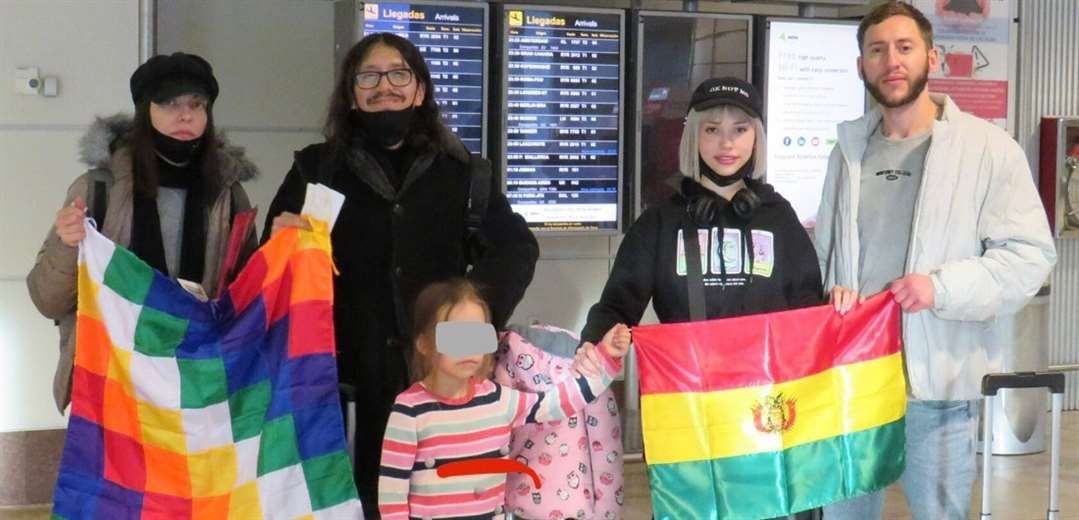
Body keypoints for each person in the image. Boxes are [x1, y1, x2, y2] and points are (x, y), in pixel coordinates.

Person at [263, 33, 539, 515]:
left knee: (442, 503)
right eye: (368, 76)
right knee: (355, 503)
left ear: (420, 90)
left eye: (398, 74)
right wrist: (276, 242)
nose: (384, 86)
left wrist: (469, 330)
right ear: (352, 94)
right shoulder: (315, 170)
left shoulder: (463, 173)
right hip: (344, 385)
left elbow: (517, 248)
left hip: (441, 386)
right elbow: (268, 270)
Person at [815, 3, 1056, 518]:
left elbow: (1031, 257)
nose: (891, 61)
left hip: (940, 390)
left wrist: (940, 288)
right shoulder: (848, 152)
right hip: (854, 383)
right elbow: (827, 253)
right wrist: (831, 289)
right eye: (877, 50)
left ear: (932, 56)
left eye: (904, 47)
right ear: (861, 65)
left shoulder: (988, 150)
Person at [27, 52, 259, 414]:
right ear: (144, 110)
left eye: (197, 104)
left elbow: (248, 298)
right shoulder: (99, 189)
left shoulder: (227, 195)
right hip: (114, 380)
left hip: (198, 384)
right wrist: (67, 244)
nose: (185, 115)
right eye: (169, 103)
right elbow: (48, 301)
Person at [580, 76, 822, 341]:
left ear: (756, 137)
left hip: (768, 369)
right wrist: (601, 341)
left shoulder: (778, 216)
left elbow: (811, 311)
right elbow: (615, 309)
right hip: (685, 368)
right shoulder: (661, 222)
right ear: (694, 136)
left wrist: (839, 302)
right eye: (712, 130)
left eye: (740, 130)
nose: (727, 143)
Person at [377, 278, 630, 519]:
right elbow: (391, 497)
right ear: (424, 344)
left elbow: (559, 402)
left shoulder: (498, 400)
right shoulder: (409, 411)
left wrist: (605, 357)